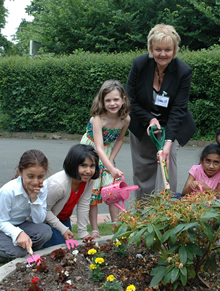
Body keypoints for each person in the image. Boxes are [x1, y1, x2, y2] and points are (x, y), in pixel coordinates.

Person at [126, 23, 196, 202]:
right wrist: (149, 119)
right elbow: (130, 99)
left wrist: (168, 141)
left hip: (171, 124)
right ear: (151, 48)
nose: (163, 54)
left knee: (167, 160)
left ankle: (164, 210)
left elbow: (179, 109)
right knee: (143, 169)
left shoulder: (183, 71)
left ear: (174, 49)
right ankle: (143, 215)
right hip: (142, 122)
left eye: (168, 49)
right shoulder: (139, 64)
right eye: (158, 49)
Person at [0, 150, 52, 264]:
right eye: (30, 176)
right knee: (18, 253)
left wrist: (34, 198)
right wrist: (18, 234)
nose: (36, 182)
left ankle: (7, 246)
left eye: (40, 177)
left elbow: (39, 220)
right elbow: (1, 221)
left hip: (18, 223)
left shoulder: (42, 188)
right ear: (20, 172)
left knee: (45, 232)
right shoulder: (8, 191)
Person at [81, 80, 130, 232]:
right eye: (107, 100)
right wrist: (111, 167)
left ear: (123, 100)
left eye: (116, 99)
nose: (112, 103)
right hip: (91, 152)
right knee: (93, 191)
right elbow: (99, 148)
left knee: (112, 190)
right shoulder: (98, 119)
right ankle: (95, 229)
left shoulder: (125, 119)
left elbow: (120, 140)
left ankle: (116, 226)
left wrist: (110, 162)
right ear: (102, 101)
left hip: (107, 153)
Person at [43, 144, 100, 248]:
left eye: (92, 166)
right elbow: (44, 210)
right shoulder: (59, 185)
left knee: (70, 248)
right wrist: (62, 229)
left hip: (63, 218)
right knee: (57, 249)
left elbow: (83, 205)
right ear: (73, 164)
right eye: (84, 165)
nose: (88, 171)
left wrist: (83, 233)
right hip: (45, 222)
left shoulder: (88, 180)